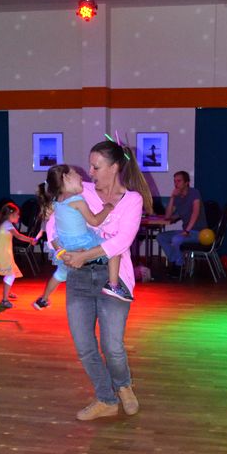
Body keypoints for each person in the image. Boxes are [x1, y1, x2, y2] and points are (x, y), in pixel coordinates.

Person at [46, 139, 152, 421]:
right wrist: (62, 253)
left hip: (113, 276)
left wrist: (84, 255)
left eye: (96, 167)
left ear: (114, 167)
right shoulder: (81, 191)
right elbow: (52, 224)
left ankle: (124, 386)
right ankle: (106, 399)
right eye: (90, 166)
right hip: (79, 277)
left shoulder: (132, 200)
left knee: (112, 346)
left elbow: (122, 240)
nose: (89, 172)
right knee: (84, 346)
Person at [32, 164, 129, 310]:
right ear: (66, 177)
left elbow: (50, 223)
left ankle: (43, 299)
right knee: (114, 250)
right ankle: (114, 285)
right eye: (76, 173)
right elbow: (94, 221)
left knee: (60, 274)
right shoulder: (77, 200)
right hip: (83, 242)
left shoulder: (56, 202)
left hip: (64, 247)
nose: (81, 177)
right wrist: (107, 209)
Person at [156, 171, 207, 275]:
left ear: (186, 183)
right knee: (160, 237)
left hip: (198, 232)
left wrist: (187, 231)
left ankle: (179, 266)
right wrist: (172, 197)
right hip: (186, 231)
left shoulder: (194, 193)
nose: (176, 184)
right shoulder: (178, 197)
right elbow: (167, 216)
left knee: (176, 239)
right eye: (175, 181)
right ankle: (175, 261)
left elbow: (195, 213)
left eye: (179, 181)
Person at [0, 202, 35, 308]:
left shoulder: (4, 224)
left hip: (2, 251)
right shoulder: (7, 224)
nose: (19, 216)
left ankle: (7, 293)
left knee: (9, 273)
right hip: (3, 253)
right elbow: (18, 236)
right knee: (10, 274)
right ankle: (4, 300)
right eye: (17, 214)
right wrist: (30, 240)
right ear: (10, 215)